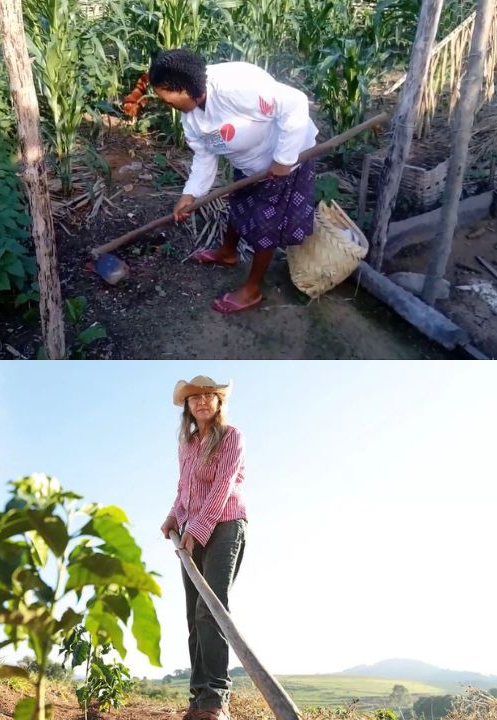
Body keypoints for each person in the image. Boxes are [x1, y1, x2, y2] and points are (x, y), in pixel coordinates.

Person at [149, 49, 320, 314]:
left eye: (168, 99)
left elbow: (295, 103)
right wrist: (190, 194)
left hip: (283, 163)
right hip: (249, 166)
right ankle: (228, 253)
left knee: (266, 223)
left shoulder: (236, 86)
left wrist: (283, 160)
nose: (167, 105)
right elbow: (205, 154)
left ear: (186, 88)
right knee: (238, 208)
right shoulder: (191, 116)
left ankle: (252, 289)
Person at [160, 375, 247, 720]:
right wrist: (172, 517)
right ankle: (198, 700)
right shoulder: (188, 445)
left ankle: (215, 699)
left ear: (218, 402)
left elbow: (222, 485)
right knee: (192, 614)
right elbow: (184, 490)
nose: (202, 402)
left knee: (210, 609)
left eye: (209, 396)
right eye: (195, 397)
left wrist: (196, 528)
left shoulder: (231, 437)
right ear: (188, 407)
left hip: (224, 526)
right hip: (188, 532)